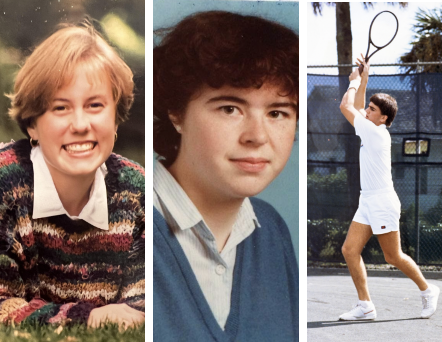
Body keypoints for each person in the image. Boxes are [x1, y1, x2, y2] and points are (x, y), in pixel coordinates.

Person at [153, 10, 299, 341]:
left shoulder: (272, 231)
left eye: (277, 113)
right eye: (230, 108)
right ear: (177, 112)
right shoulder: (130, 221)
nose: (257, 136)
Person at [0, 21, 145, 328]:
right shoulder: (6, 184)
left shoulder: (138, 194)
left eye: (95, 105)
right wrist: (88, 317)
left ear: (116, 118)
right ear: (32, 125)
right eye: (60, 108)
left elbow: (146, 309)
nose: (80, 124)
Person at [339, 55, 440, 320]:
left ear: (383, 118)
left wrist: (353, 82)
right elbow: (359, 107)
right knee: (350, 250)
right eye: (369, 107)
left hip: (382, 201)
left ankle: (429, 290)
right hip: (367, 200)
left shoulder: (375, 132)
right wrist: (365, 77)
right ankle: (365, 305)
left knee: (392, 256)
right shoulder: (370, 126)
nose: (366, 111)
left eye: (372, 110)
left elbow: (346, 106)